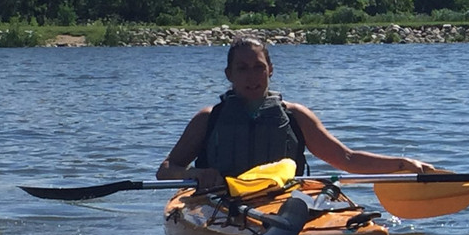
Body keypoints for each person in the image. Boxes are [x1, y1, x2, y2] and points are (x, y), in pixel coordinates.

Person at [157, 35, 435, 191]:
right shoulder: (209, 118)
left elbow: (346, 159)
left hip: (281, 201)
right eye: (242, 69)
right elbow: (165, 170)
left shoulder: (295, 116)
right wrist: (197, 174)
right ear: (229, 74)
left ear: (270, 70)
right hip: (221, 200)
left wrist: (401, 163)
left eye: (259, 67)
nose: (252, 77)